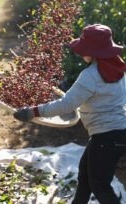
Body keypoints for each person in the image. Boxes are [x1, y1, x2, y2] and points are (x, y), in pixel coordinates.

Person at [13, 24, 126, 204]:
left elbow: (66, 105)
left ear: (93, 51)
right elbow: (100, 97)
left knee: (99, 184)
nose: (81, 54)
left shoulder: (90, 75)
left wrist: (33, 112)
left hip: (106, 137)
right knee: (85, 175)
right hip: (117, 134)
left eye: (84, 49)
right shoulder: (118, 69)